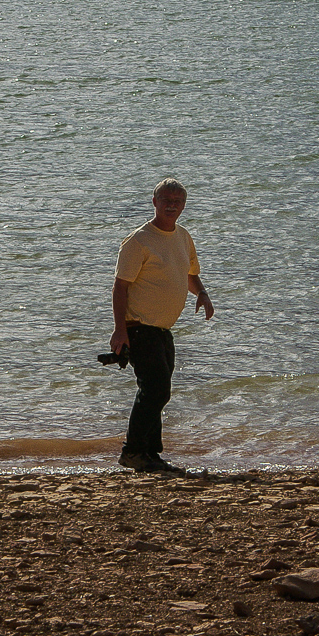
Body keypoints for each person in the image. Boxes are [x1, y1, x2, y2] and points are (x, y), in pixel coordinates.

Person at [110, 178, 213, 473]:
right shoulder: (138, 240)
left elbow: (189, 273)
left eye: (177, 201)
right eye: (166, 199)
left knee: (159, 390)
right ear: (154, 202)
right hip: (139, 326)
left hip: (162, 329)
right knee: (155, 389)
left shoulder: (182, 236)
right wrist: (120, 330)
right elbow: (120, 287)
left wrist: (202, 293)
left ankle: (149, 454)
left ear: (183, 205)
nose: (171, 205)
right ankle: (133, 452)